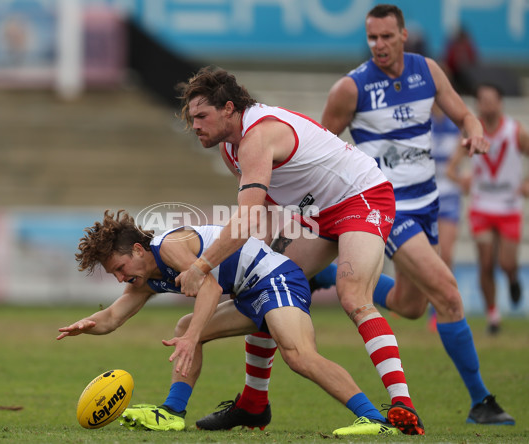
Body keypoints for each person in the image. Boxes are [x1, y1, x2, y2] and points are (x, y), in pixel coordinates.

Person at [173, 64, 425, 435]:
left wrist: (202, 266)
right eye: (191, 117)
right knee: (267, 284)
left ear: (229, 109)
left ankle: (403, 404)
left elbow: (242, 221)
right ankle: (254, 403)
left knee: (353, 295)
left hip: (361, 196)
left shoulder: (256, 138)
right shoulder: (232, 149)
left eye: (201, 116)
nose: (194, 125)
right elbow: (268, 207)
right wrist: (269, 256)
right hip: (317, 212)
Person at [310, 4, 514, 426]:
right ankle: (481, 401)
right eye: (372, 38)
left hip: (428, 203)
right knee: (449, 295)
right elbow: (318, 149)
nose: (379, 45)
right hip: (386, 206)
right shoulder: (351, 88)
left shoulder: (427, 71)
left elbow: (463, 113)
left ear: (404, 36)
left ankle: (325, 276)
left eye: (387, 37)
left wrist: (474, 131)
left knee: (412, 304)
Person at [57, 210, 404, 436]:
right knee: (183, 328)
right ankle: (173, 411)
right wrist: (87, 324)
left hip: (275, 279)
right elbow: (114, 316)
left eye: (119, 268)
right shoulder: (145, 278)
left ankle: (374, 419)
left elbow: (210, 285)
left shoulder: (168, 247)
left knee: (299, 356)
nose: (120, 279)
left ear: (136, 249)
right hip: (249, 294)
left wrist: (193, 337)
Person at [447, 83, 529, 334]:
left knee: (505, 262)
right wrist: (463, 181)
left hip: (509, 206)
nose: (487, 105)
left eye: (492, 100)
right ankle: (493, 316)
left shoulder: (515, 131)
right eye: (483, 100)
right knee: (484, 262)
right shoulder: (473, 133)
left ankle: (513, 278)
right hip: (482, 206)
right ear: (478, 104)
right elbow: (451, 169)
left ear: (501, 103)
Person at [426, 105, 464, 331]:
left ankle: (445, 308)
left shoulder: (457, 126)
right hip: (425, 195)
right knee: (430, 255)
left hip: (450, 196)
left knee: (446, 254)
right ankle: (433, 306)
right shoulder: (420, 121)